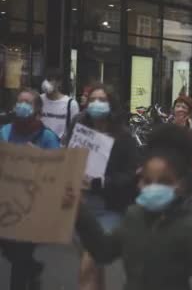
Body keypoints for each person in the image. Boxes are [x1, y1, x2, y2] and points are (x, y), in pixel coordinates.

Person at [72, 124, 192, 290]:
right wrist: (80, 211)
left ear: (181, 184)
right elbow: (103, 251)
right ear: (140, 181)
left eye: (164, 182)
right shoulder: (133, 216)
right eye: (148, 181)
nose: (154, 188)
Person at [64, 83, 139, 290]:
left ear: (111, 105)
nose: (97, 103)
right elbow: (67, 158)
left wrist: (102, 182)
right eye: (93, 100)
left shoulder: (124, 137)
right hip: (81, 206)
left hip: (109, 208)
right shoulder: (79, 129)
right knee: (94, 268)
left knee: (88, 264)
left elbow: (131, 175)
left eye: (102, 100)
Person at [0, 88, 60, 290]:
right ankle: (33, 269)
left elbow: (57, 172)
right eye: (19, 101)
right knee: (8, 248)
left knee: (19, 255)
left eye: (27, 102)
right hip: (7, 204)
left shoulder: (48, 138)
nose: (21, 106)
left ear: (37, 110)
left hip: (33, 207)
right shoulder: (5, 131)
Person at [170, 95, 192, 196]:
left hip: (190, 171)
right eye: (178, 106)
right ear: (173, 109)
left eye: (184, 107)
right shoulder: (167, 125)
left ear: (189, 112)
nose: (180, 109)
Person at [40, 70, 80, 140]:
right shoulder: (39, 99)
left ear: (59, 83)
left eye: (50, 80)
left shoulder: (71, 104)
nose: (46, 83)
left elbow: (75, 128)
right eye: (45, 80)